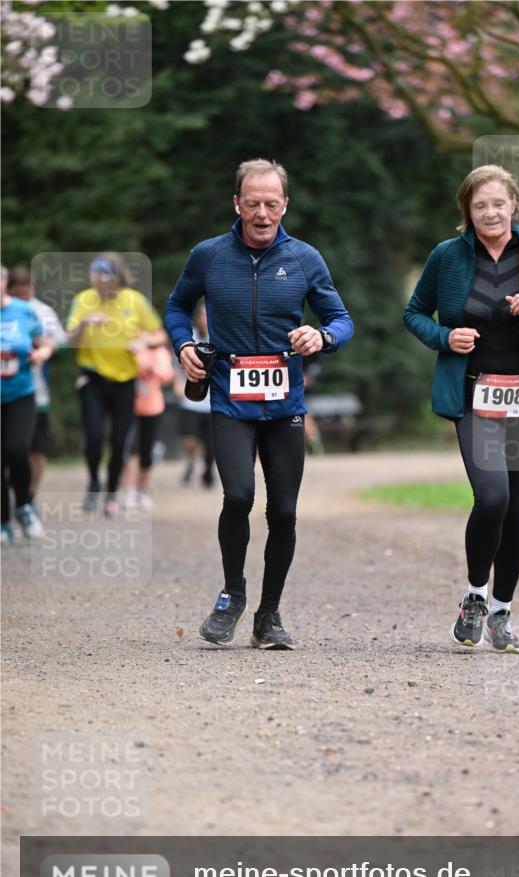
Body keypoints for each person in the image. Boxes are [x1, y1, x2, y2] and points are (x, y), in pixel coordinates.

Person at [166, 158, 353, 650]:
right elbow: (176, 306)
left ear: (285, 204)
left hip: (284, 403)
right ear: (237, 203)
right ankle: (232, 595)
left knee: (285, 513)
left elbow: (341, 319)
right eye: (253, 204)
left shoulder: (306, 258)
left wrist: (322, 334)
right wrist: (184, 346)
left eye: (272, 203)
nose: (263, 213)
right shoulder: (208, 256)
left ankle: (269, 614)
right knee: (238, 497)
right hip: (230, 399)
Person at [404, 164, 519, 653]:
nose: (490, 212)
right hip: (473, 395)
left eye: (498, 204)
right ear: (468, 211)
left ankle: (502, 611)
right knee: (493, 498)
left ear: (514, 206)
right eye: (480, 205)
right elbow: (414, 312)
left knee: (518, 509)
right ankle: (475, 595)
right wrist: (445, 336)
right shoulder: (448, 257)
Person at [66, 253, 165, 518]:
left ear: (117, 277)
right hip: (92, 380)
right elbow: (70, 342)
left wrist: (144, 343)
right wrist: (84, 324)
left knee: (120, 441)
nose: (98, 281)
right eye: (95, 275)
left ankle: (111, 494)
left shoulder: (134, 300)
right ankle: (93, 482)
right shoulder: (83, 300)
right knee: (94, 437)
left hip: (124, 382)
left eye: (104, 275)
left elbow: (160, 334)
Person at [7, 265, 67, 508]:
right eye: (18, 294)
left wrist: (44, 348)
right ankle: (12, 500)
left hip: (36, 393)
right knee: (11, 453)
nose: (23, 299)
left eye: (27, 293)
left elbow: (62, 344)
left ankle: (29, 498)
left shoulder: (42, 312)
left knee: (36, 451)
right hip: (7, 392)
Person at [1, 264, 54, 542]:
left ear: (4, 282)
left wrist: (42, 353)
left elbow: (46, 341)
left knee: (17, 450)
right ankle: (3, 522)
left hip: (21, 392)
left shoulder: (22, 310)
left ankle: (23, 506)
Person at [122, 335, 174, 510]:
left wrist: (150, 367)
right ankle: (129, 489)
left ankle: (142, 489)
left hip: (153, 407)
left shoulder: (159, 351)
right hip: (130, 405)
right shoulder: (130, 345)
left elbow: (167, 375)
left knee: (146, 451)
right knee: (131, 449)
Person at [177, 301, 215, 489]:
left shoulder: (219, 337)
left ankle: (208, 471)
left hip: (212, 402)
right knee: (189, 439)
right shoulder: (188, 336)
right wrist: (176, 381)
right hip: (190, 400)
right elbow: (175, 361)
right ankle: (191, 461)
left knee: (211, 444)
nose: (205, 319)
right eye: (202, 315)